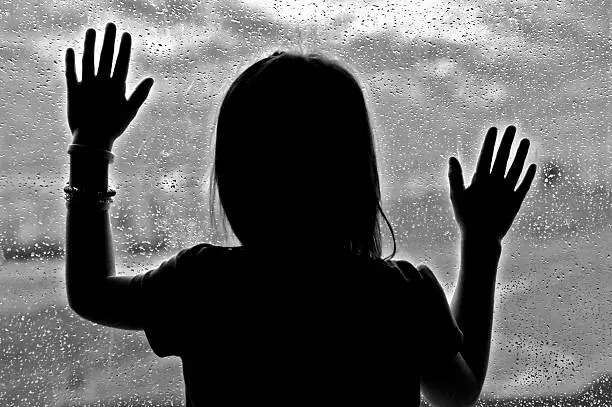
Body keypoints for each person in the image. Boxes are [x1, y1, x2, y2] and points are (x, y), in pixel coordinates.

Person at [64, 22, 537, 406]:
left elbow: (90, 293)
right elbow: (457, 392)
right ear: (357, 178)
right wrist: (481, 242)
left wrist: (91, 144)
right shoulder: (397, 295)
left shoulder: (204, 283)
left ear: (235, 177)